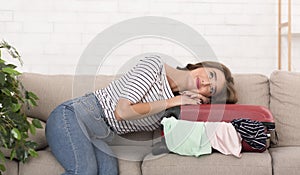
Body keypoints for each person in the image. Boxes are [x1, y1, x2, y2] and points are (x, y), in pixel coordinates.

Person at [45, 55, 237, 175]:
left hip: (99, 137)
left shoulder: (177, 108)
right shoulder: (154, 66)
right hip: (73, 116)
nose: (204, 83)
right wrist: (174, 101)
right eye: (210, 75)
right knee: (85, 172)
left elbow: (196, 132)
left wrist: (194, 105)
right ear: (200, 65)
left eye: (210, 90)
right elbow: (122, 112)